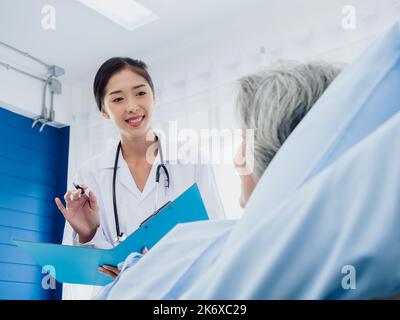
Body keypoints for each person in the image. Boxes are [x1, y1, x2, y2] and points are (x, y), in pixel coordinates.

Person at [96, 61, 341, 299]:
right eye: (118, 98)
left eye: (246, 141)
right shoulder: (334, 251)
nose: (237, 159)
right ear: (104, 111)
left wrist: (143, 275)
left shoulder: (240, 258)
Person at [55, 57, 225, 299]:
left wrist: (163, 263)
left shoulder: (191, 161)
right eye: (117, 99)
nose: (132, 106)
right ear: (104, 111)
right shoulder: (90, 172)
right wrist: (87, 233)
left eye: (140, 93)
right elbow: (83, 269)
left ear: (154, 97)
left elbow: (216, 237)